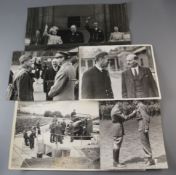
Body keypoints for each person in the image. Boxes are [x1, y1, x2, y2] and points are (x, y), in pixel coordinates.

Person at [111, 102, 136, 167]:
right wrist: (133, 113)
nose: (122, 107)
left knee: (116, 145)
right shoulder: (116, 109)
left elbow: (122, 119)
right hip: (117, 128)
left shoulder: (114, 108)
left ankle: (115, 162)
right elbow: (125, 117)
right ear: (119, 104)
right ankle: (116, 163)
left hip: (115, 127)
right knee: (117, 146)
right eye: (122, 105)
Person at [134, 101, 155, 166]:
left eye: (133, 100)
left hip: (142, 124)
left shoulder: (141, 106)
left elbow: (145, 117)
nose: (132, 102)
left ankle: (150, 160)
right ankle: (148, 159)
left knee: (145, 143)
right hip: (141, 124)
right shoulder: (140, 106)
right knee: (144, 142)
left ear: (136, 100)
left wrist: (146, 127)